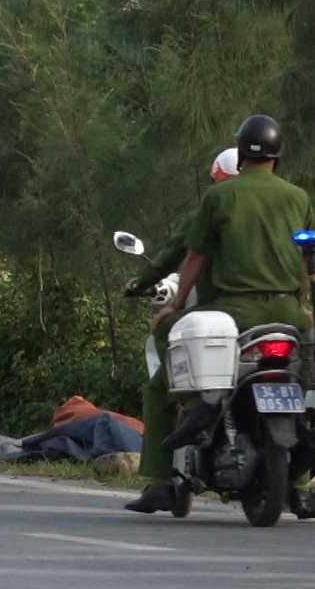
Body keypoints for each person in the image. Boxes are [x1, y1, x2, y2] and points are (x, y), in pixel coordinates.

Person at [127, 116, 315, 515]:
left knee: (164, 365)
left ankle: (163, 475)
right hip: (287, 311)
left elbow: (189, 253)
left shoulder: (219, 199)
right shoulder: (298, 198)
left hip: (234, 310)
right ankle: (300, 485)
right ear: (278, 158)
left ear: (240, 155)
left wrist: (174, 305)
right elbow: (305, 255)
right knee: (303, 385)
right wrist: (300, 302)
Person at [124, 147, 238, 301]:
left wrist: (141, 284)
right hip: (277, 304)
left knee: (164, 324)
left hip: (222, 301)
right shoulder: (275, 213)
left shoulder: (205, 214)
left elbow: (173, 256)